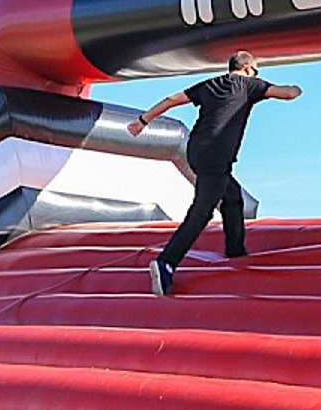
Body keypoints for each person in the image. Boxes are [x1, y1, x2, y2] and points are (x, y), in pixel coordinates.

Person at [129, 51, 303, 296]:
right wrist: (296, 88)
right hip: (216, 156)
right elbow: (287, 94)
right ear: (248, 68)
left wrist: (142, 121)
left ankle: (235, 251)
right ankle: (166, 262)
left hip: (195, 153)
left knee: (232, 198)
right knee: (202, 211)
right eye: (256, 71)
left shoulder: (210, 84)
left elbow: (171, 100)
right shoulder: (249, 84)